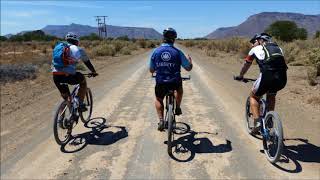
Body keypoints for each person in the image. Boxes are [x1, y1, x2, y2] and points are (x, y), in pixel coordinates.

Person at [235, 33, 287, 132]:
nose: (252, 44)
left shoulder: (255, 49)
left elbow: (246, 65)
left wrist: (241, 76)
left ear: (259, 41)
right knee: (271, 95)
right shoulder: (278, 49)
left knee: (253, 97)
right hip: (282, 78)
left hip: (266, 77)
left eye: (253, 42)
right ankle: (270, 119)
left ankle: (257, 122)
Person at [149, 28, 193, 131]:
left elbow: (151, 70)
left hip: (160, 82)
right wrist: (190, 62)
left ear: (163, 38)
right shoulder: (177, 52)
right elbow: (188, 68)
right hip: (175, 81)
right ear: (174, 39)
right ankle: (177, 107)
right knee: (179, 90)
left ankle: (161, 121)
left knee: (159, 99)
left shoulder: (156, 52)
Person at [52, 32, 98, 111]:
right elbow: (87, 62)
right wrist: (93, 71)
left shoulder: (59, 47)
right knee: (83, 80)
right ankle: (80, 104)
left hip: (56, 75)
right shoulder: (78, 49)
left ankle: (61, 120)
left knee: (66, 98)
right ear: (76, 41)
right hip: (68, 75)